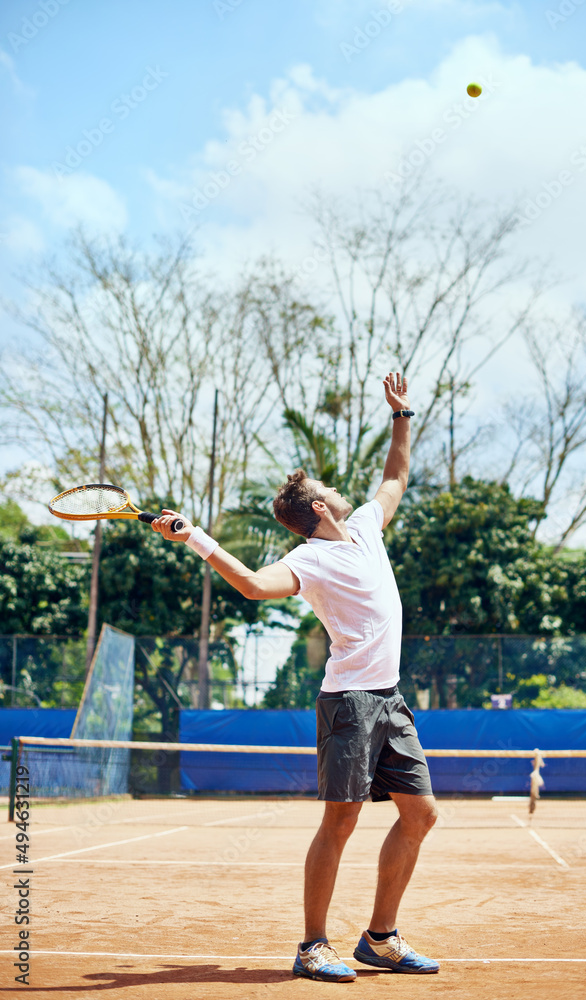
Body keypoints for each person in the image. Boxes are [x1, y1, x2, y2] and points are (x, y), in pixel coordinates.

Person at [151, 372, 440, 982]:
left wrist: (403, 414)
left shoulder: (365, 526)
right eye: (330, 488)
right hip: (349, 703)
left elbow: (396, 477)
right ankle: (313, 945)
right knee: (342, 818)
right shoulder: (308, 559)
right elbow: (255, 587)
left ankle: (380, 938)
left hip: (389, 700)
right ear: (317, 507)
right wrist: (196, 537)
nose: (341, 489)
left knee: (420, 814)